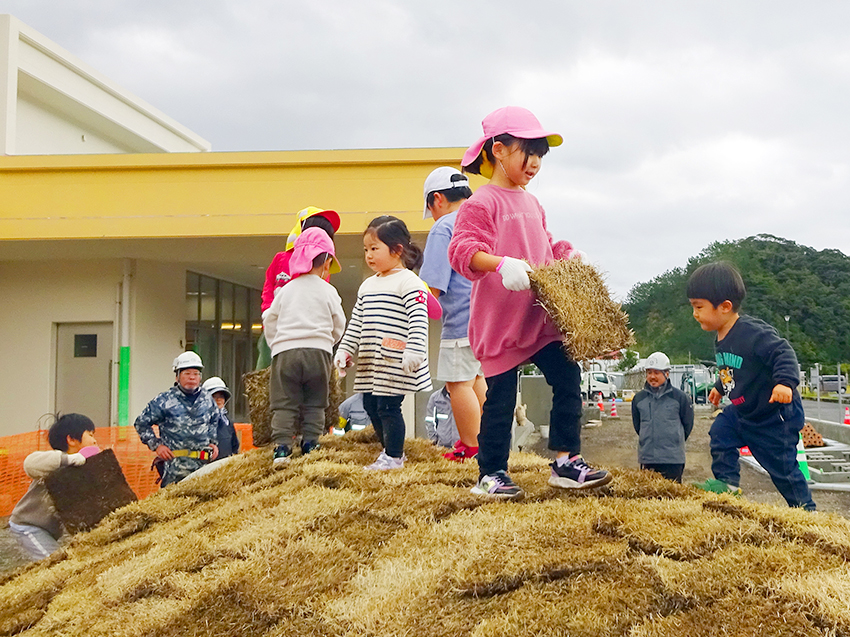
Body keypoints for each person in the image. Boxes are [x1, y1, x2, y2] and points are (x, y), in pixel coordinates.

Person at [448, 106, 611, 500]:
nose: (535, 163)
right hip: (501, 322)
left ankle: (567, 461)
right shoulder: (480, 203)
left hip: (539, 318)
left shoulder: (532, 204)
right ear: (499, 150)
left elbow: (545, 246)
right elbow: (462, 251)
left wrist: (567, 254)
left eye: (540, 155)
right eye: (529, 152)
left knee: (568, 377)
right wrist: (500, 263)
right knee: (500, 400)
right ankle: (491, 474)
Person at [688, 261, 816, 511]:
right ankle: (728, 485)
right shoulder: (721, 336)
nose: (694, 313)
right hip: (745, 413)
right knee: (720, 433)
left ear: (724, 307)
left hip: (773, 416)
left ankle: (806, 511)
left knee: (782, 470)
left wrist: (784, 383)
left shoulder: (752, 332)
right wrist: (720, 387)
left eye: (698, 307)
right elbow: (733, 370)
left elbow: (783, 352)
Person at [335, 216, 432, 470]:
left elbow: (419, 320)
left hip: (395, 360)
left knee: (389, 406)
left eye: (374, 248)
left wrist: (414, 350)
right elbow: (356, 322)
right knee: (370, 404)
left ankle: (394, 455)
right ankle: (388, 450)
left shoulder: (409, 282)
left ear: (397, 249)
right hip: (371, 362)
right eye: (366, 249)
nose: (368, 255)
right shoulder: (368, 286)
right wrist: (345, 348)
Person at [263, 227, 346, 466]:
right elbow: (339, 322)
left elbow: (270, 319)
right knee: (316, 400)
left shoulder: (287, 290)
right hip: (318, 351)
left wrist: (275, 344)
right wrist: (328, 342)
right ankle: (310, 443)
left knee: (284, 401)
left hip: (285, 351)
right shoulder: (328, 290)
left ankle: (282, 448)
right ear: (327, 262)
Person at [419, 166, 486, 462]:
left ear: (437, 199)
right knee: (477, 378)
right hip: (487, 318)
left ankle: (471, 447)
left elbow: (433, 283)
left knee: (457, 383)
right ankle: (487, 443)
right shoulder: (482, 223)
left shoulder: (444, 226)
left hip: (460, 318)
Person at [257, 206, 342, 369]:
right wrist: (267, 311)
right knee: (264, 369)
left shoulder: (322, 269)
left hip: (304, 335)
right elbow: (268, 286)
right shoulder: (281, 259)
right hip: (275, 330)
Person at [9, 413, 98, 561]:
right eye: (90, 434)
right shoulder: (56, 461)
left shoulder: (82, 469)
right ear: (71, 439)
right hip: (28, 525)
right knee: (56, 563)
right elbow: (30, 463)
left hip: (49, 530)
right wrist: (70, 459)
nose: (95, 441)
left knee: (62, 560)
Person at [134, 352, 223, 487]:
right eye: (187, 373)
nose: (192, 377)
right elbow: (141, 423)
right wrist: (157, 446)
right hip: (174, 471)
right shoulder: (164, 400)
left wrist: (213, 442)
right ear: (177, 376)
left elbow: (214, 420)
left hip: (202, 469)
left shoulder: (207, 400)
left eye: (196, 373)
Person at [631, 352, 694, 483]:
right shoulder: (639, 399)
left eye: (656, 372)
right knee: (649, 496)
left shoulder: (680, 398)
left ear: (667, 373)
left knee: (673, 498)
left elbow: (687, 425)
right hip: (648, 459)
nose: (652, 376)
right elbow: (638, 426)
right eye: (649, 372)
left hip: (673, 460)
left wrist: (674, 441)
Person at [201, 376, 240, 459]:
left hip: (224, 468)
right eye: (214, 396)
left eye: (221, 396)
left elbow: (234, 447)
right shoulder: (200, 420)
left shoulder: (227, 421)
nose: (219, 399)